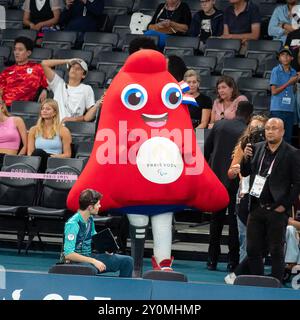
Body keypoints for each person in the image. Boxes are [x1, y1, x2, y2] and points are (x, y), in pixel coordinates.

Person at [241, 117, 300, 282]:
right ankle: (258, 280)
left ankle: (275, 281)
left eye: (274, 128)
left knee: (276, 249)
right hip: (256, 205)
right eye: (267, 128)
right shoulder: (256, 148)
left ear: (282, 131)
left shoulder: (292, 153)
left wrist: (284, 205)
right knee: (252, 248)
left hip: (277, 208)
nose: (270, 131)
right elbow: (245, 172)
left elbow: (297, 184)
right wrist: (245, 157)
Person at [204, 101, 254, 272]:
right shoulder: (247, 132)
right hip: (235, 181)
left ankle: (211, 260)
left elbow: (206, 151)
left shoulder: (219, 125)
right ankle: (232, 261)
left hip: (216, 180)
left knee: (215, 221)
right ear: (250, 116)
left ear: (235, 110)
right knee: (234, 222)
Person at [63, 189, 133, 277]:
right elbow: (68, 255)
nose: (100, 206)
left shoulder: (90, 219)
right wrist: (93, 261)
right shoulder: (73, 224)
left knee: (127, 261)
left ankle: (124, 289)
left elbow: (95, 238)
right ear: (90, 207)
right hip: (75, 262)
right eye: (98, 204)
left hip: (89, 257)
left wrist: (107, 249)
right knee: (90, 270)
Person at [227, 115, 268, 262]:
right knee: (244, 235)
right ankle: (244, 273)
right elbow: (231, 172)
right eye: (252, 128)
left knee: (260, 236)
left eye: (258, 128)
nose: (254, 131)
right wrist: (239, 167)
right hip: (245, 192)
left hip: (264, 194)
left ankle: (257, 269)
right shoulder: (243, 146)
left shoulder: (271, 147)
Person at [41, 58, 95, 122]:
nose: (74, 69)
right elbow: (44, 63)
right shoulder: (58, 84)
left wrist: (75, 119)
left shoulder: (87, 89)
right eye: (72, 67)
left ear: (83, 75)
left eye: (78, 69)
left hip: (73, 126)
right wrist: (67, 61)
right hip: (54, 125)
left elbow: (90, 115)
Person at [0, 37, 48, 107]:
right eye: (15, 49)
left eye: (20, 50)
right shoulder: (7, 71)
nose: (16, 52)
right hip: (6, 108)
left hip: (26, 107)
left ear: (28, 53)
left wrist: (45, 90)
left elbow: (49, 83)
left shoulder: (37, 68)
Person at [27, 99, 72, 171]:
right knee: (38, 152)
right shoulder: (33, 130)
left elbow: (68, 154)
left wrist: (53, 156)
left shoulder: (63, 130)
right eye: (42, 109)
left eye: (48, 109)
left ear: (54, 113)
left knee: (38, 152)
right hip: (37, 160)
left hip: (54, 161)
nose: (44, 111)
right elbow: (30, 153)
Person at [270, 47, 300, 143]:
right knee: (276, 137)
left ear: (292, 58)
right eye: (283, 55)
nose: (285, 57)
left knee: (287, 138)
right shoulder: (276, 70)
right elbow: (274, 91)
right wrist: (289, 82)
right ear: (279, 58)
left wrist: (296, 83)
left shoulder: (294, 72)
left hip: (289, 109)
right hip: (277, 109)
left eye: (287, 55)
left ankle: (286, 158)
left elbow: (294, 91)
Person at [0, 100, 27, 167]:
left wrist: (17, 159)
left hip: (9, 159)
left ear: (1, 106)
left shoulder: (17, 120)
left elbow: (26, 145)